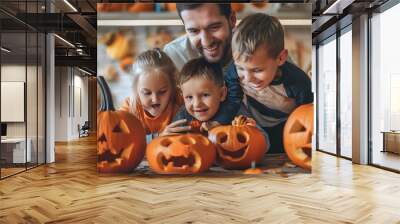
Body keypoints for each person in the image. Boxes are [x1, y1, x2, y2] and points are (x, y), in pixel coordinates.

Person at [228, 13, 313, 153]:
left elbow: (307, 116)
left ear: (280, 58)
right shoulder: (233, 74)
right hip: (255, 128)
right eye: (240, 68)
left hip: (285, 129)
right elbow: (231, 102)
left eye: (257, 70)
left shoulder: (297, 82)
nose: (248, 78)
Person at [164, 3, 242, 125]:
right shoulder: (174, 55)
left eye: (214, 27)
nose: (206, 42)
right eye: (194, 31)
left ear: (232, 19)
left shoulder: (253, 49)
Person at [120, 49, 186, 141]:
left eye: (162, 91)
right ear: (136, 90)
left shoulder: (180, 100)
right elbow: (120, 139)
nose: (155, 99)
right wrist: (158, 137)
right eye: (147, 93)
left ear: (173, 86)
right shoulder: (129, 107)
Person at [161, 57, 227, 136]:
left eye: (205, 95)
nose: (196, 104)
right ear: (183, 97)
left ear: (222, 94)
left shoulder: (232, 115)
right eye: (189, 97)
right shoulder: (182, 118)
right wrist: (163, 138)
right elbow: (170, 145)